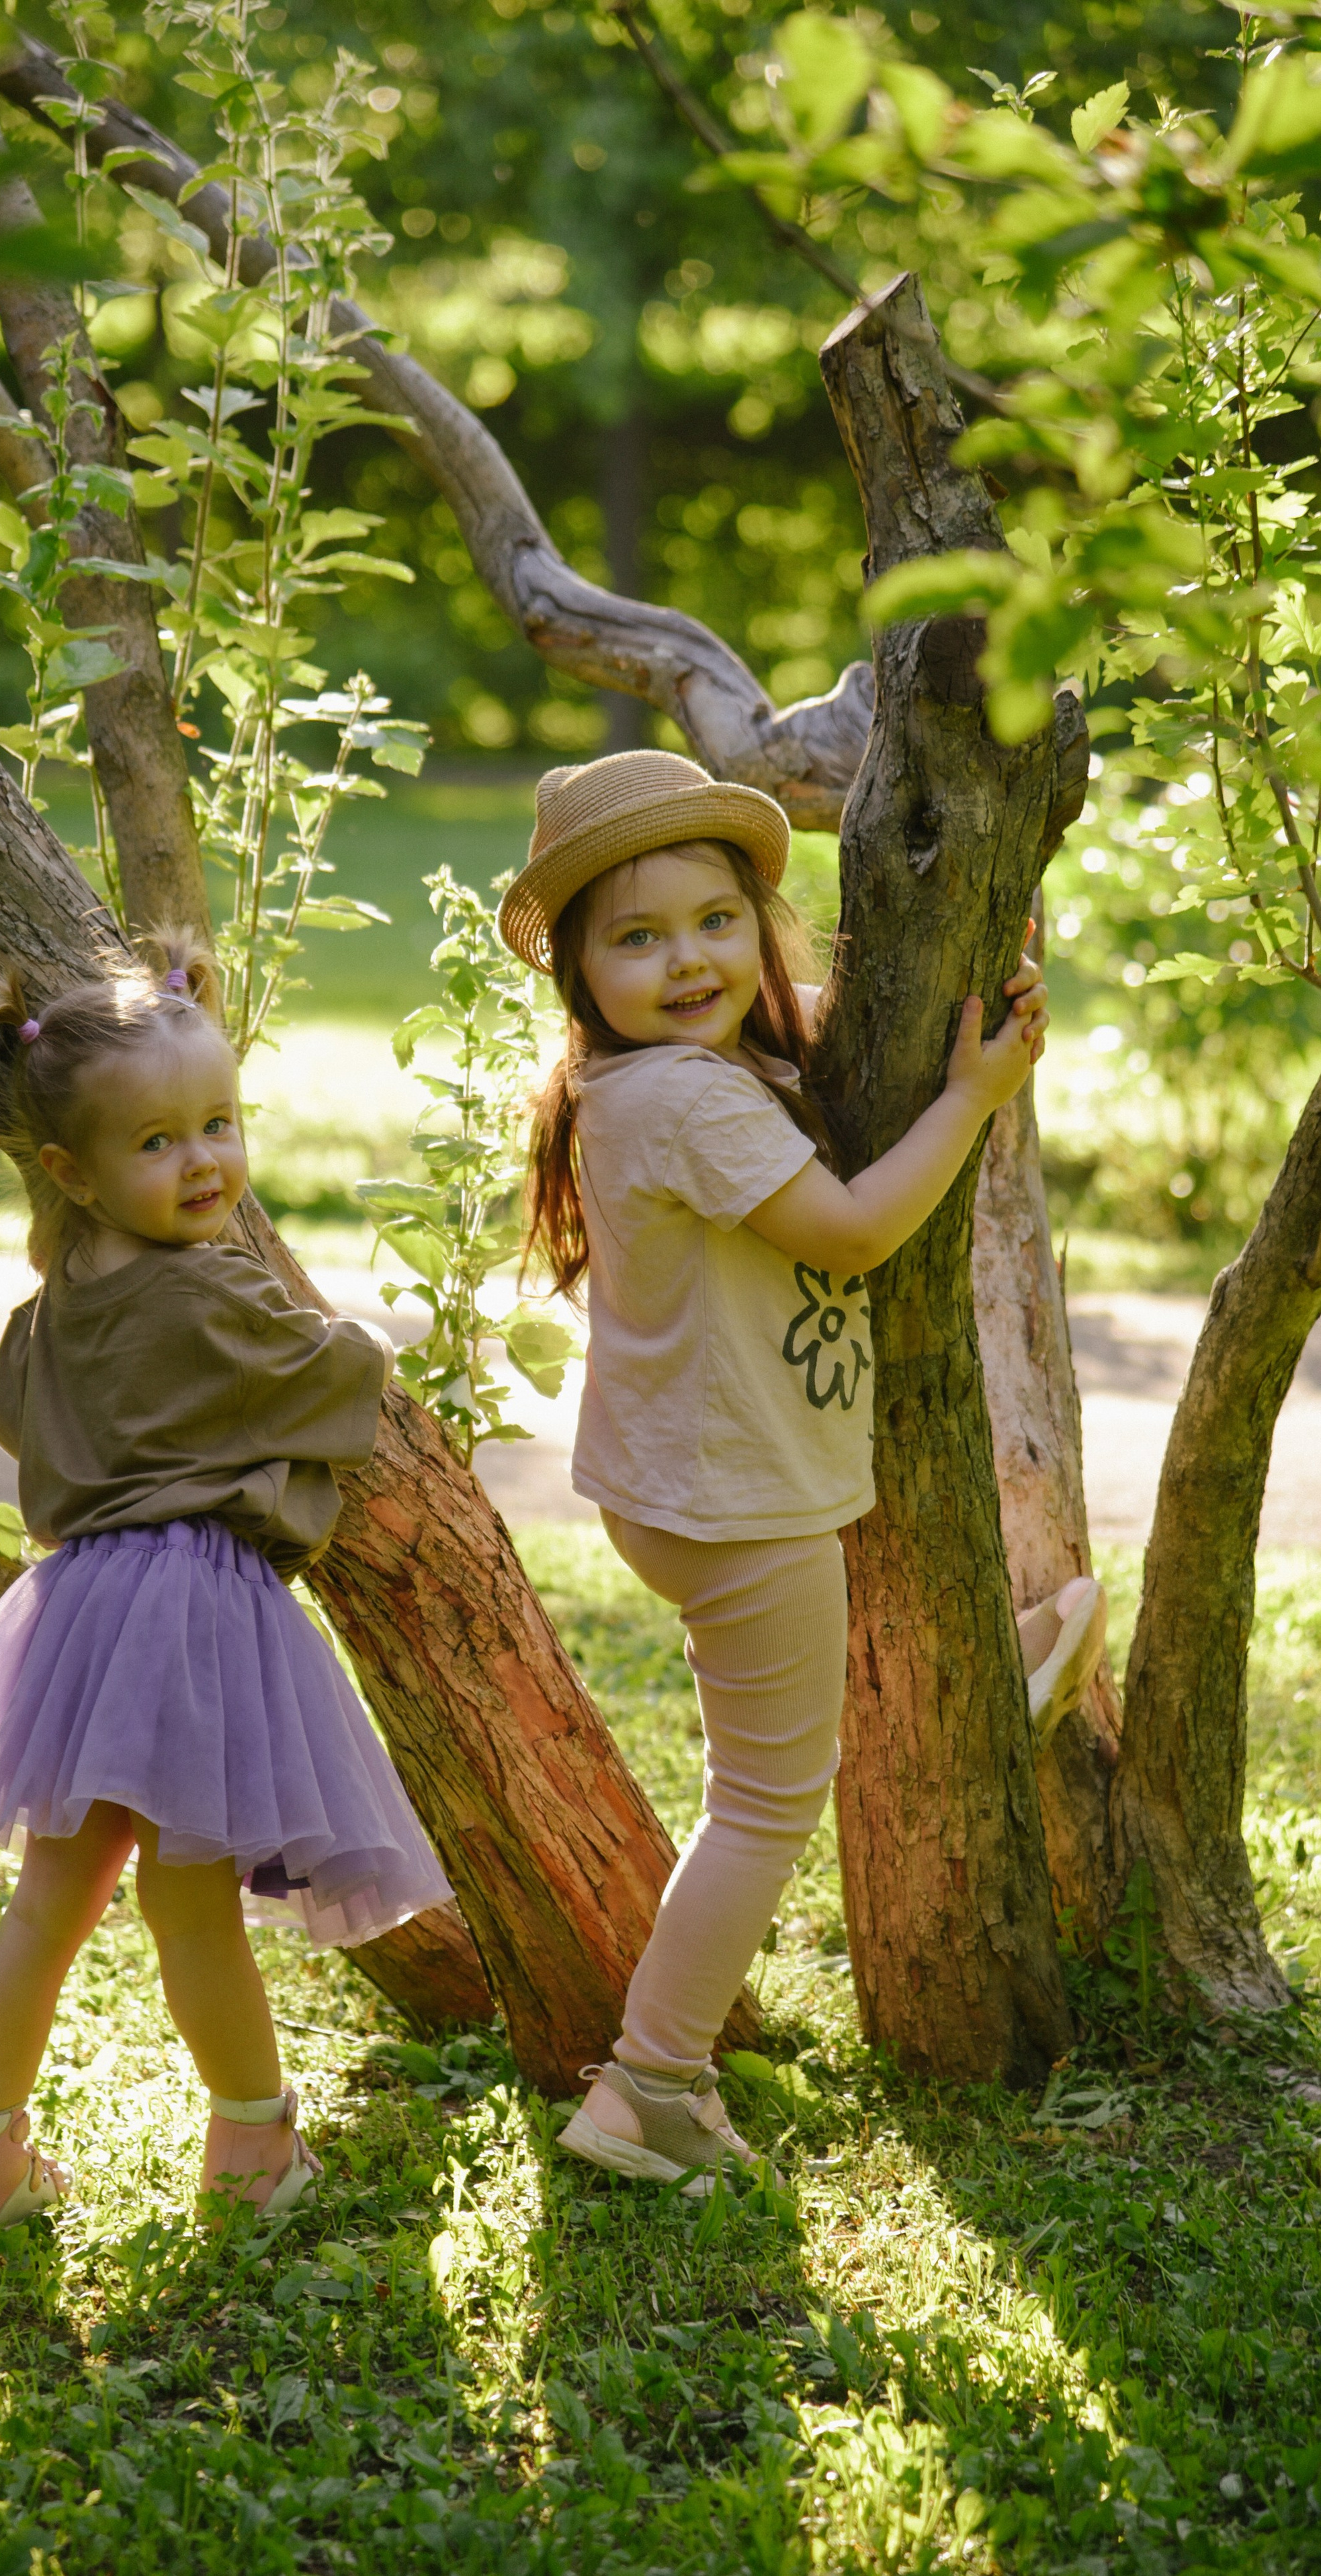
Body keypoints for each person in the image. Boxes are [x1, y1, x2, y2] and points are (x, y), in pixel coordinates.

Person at [500, 748, 1105, 2194]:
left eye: (715, 921)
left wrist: (964, 961)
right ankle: (649, 2084)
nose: (687, 961)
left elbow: (818, 1029)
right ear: (579, 970)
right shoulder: (681, 1101)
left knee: (774, 1745)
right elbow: (851, 1231)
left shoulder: (665, 1073)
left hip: (696, 1484)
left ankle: (987, 1669)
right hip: (734, 1498)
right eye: (637, 939)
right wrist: (972, 1096)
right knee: (765, 1803)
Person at [0, 928, 451, 2235]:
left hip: (81, 1617)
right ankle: (253, 2151)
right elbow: (340, 1375)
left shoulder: (58, 1297)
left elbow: (14, 1409)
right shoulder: (207, 1298)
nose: (202, 1162)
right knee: (191, 1911)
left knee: (48, 1904)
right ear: (72, 1172)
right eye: (158, 1143)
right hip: (190, 1615)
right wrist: (370, 1344)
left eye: (218, 1125)